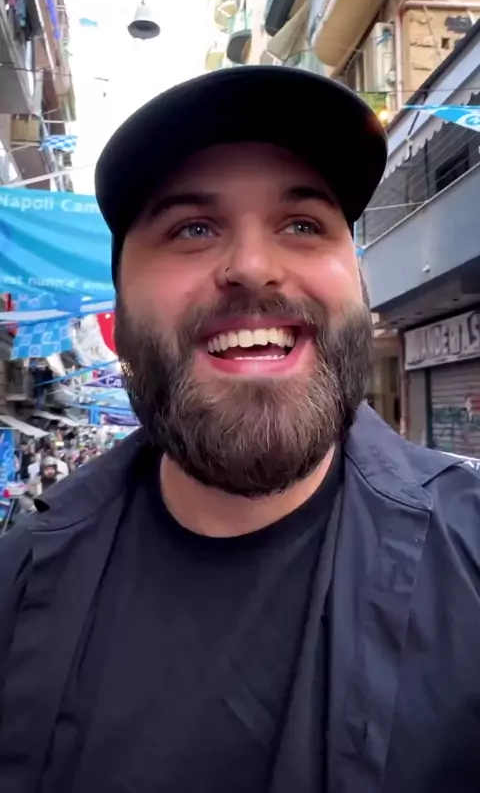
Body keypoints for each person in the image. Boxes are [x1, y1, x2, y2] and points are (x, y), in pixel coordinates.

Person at [0, 67, 479, 793]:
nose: (253, 267)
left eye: (302, 225)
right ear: (117, 315)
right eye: (192, 228)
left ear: (359, 287)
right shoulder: (16, 587)